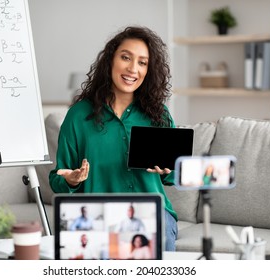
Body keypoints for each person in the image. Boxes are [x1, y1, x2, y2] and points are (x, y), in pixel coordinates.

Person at [49, 26, 178, 251]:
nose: (132, 68)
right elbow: (58, 178)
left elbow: (175, 175)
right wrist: (71, 179)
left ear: (149, 70)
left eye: (142, 62)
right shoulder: (79, 115)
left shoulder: (159, 115)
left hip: (152, 213)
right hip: (99, 215)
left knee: (160, 245)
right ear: (110, 60)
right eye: (126, 57)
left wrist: (170, 170)